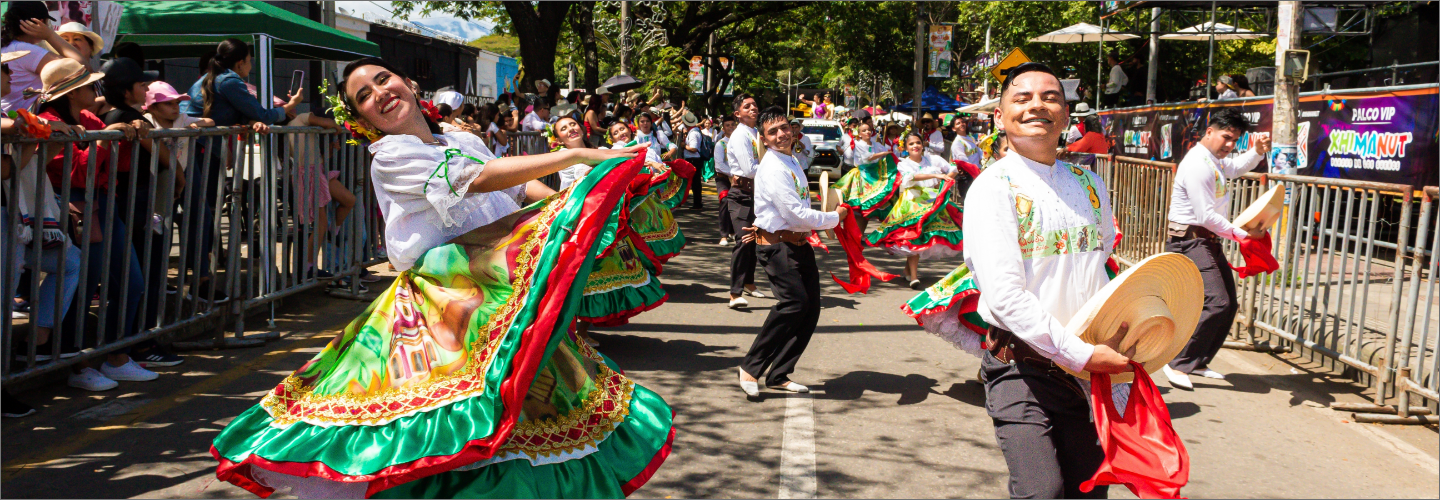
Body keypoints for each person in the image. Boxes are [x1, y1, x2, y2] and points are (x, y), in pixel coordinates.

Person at [210, 57, 673, 498]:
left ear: (408, 84)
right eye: (364, 96)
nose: (380, 94)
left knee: (527, 416)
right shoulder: (391, 156)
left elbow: (517, 186)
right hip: (440, 310)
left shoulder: (458, 139)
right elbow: (480, 178)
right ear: (361, 119)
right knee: (459, 427)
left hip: (500, 298)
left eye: (383, 79)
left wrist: (582, 193)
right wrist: (587, 156)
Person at [965, 62, 1130, 499]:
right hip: (1022, 366)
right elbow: (1004, 298)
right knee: (1042, 490)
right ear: (999, 117)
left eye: (1050, 96)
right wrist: (1081, 353)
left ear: (1066, 114)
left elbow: (1099, 267)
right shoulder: (992, 188)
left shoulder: (1090, 183)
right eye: (1022, 98)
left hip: (1085, 373)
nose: (1037, 105)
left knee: (1089, 489)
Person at [34, 58, 160, 390]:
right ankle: (79, 364)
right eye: (90, 85)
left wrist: (135, 132)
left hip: (102, 205)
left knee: (132, 284)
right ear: (72, 93)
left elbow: (114, 163)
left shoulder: (88, 118)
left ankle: (116, 356)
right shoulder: (48, 122)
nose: (96, 89)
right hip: (73, 209)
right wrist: (107, 139)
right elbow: (75, 173)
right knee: (84, 285)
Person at [737, 106, 845, 397]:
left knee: (810, 309)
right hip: (777, 246)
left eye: (784, 127)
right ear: (765, 139)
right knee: (794, 304)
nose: (782, 134)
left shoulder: (793, 160)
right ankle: (750, 367)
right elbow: (796, 213)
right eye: (773, 131)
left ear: (793, 130)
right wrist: (835, 218)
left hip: (797, 243)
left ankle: (779, 374)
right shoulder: (772, 167)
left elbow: (800, 210)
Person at [1163, 108, 1271, 390]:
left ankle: (1197, 361)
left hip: (1205, 239)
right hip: (1190, 239)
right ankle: (1178, 363)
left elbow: (1235, 168)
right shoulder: (1198, 163)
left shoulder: (1214, 160)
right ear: (1209, 132)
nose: (1229, 145)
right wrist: (1243, 236)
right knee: (1218, 302)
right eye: (1226, 137)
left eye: (1234, 140)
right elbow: (1204, 216)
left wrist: (1257, 153)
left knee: (1229, 303)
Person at [868, 133, 962, 288]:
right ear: (905, 148)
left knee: (923, 238)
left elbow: (954, 168)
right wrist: (935, 174)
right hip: (911, 203)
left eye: (918, 142)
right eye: (911, 144)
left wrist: (943, 183)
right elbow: (911, 177)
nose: (915, 146)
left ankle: (908, 271)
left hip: (932, 201)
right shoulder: (903, 164)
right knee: (912, 237)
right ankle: (913, 276)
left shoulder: (933, 159)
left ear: (923, 145)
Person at [1, 1, 88, 113]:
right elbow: (82, 68)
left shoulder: (8, 45)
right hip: (27, 124)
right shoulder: (24, 49)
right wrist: (50, 35)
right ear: (41, 23)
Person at [725, 93, 768, 309]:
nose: (753, 108)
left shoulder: (755, 133)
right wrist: (774, 168)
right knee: (743, 241)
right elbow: (750, 170)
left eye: (754, 104)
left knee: (755, 240)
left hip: (756, 194)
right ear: (738, 114)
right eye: (747, 106)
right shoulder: (740, 135)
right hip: (741, 195)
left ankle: (750, 283)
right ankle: (735, 294)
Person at [714, 114, 737, 246]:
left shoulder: (741, 142)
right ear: (723, 128)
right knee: (724, 200)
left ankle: (734, 231)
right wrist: (733, 174)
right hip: (724, 178)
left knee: (737, 203)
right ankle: (723, 235)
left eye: (732, 125)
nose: (730, 127)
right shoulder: (720, 144)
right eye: (727, 125)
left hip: (738, 178)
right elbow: (719, 165)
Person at [682, 111, 709, 209]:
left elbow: (694, 148)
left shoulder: (693, 133)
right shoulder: (695, 131)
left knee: (695, 182)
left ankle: (697, 203)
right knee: (695, 182)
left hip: (694, 160)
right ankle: (697, 202)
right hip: (694, 160)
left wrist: (684, 146)